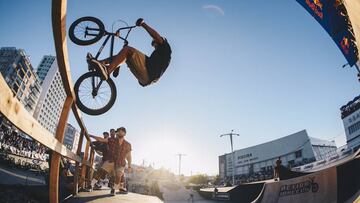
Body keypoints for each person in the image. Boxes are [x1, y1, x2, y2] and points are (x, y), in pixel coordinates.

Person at [87, 18, 172, 87]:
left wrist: (143, 24)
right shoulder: (159, 57)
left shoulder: (165, 46)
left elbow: (155, 35)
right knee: (123, 56)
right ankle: (98, 64)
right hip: (145, 79)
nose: (154, 46)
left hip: (149, 73)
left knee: (128, 50)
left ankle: (108, 71)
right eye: (153, 45)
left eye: (154, 44)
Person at [112, 127, 132, 195]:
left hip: (121, 163)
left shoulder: (127, 144)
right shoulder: (113, 141)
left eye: (121, 132)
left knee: (119, 174)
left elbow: (129, 156)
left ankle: (114, 189)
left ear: (124, 133)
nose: (119, 133)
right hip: (111, 161)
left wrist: (129, 166)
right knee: (121, 174)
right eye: (118, 132)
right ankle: (121, 188)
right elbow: (104, 140)